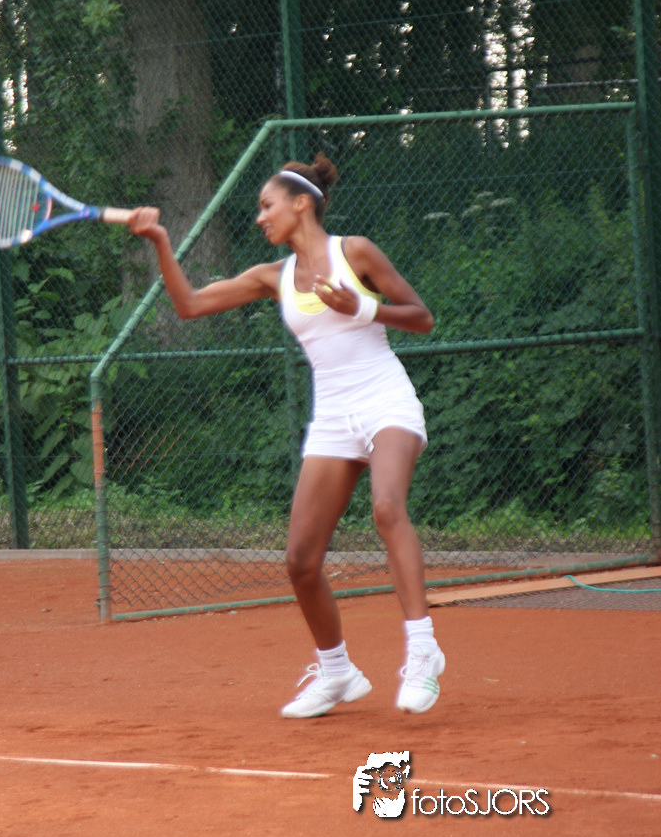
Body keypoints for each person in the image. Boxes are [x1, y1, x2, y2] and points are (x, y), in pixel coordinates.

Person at [128, 153, 444, 718]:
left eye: (266, 205)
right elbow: (189, 304)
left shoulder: (356, 252)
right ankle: (337, 672)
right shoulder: (272, 277)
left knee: (386, 507)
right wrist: (159, 242)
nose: (259, 218)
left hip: (385, 401)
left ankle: (423, 651)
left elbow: (422, 317)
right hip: (334, 417)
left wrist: (363, 307)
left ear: (300, 203)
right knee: (300, 560)